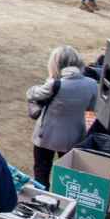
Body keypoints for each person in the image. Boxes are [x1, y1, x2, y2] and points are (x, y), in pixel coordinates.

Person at [25, 45, 95, 187]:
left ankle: (41, 200)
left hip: (46, 137)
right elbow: (92, 109)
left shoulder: (54, 84)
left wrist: (47, 81)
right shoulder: (92, 84)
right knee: (69, 179)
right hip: (74, 138)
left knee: (41, 174)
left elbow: (31, 94)